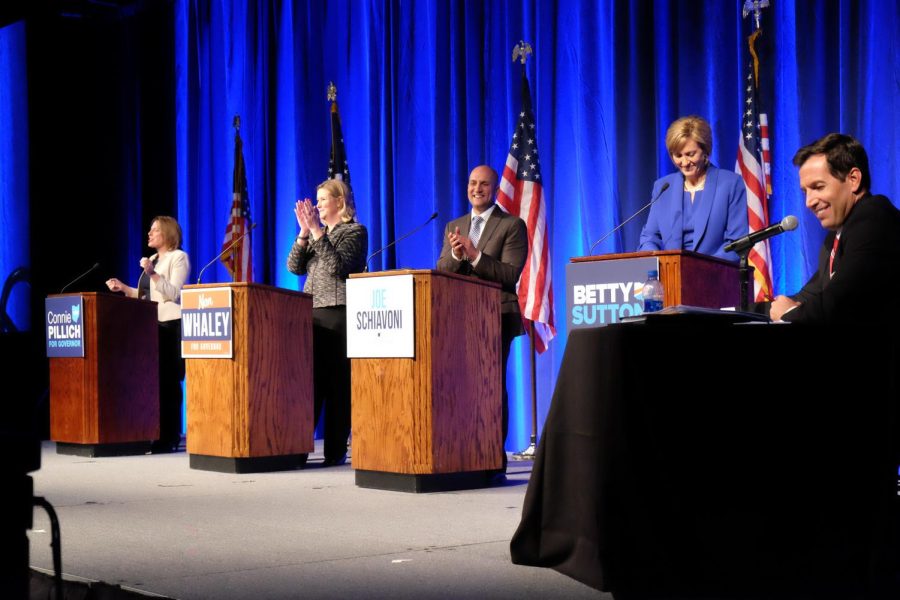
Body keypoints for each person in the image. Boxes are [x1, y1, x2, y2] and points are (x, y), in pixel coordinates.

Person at [437, 165, 528, 475]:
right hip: (457, 318)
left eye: (484, 184)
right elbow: (442, 271)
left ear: (494, 189)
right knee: (459, 386)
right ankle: (464, 450)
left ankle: (492, 456)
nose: (477, 189)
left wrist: (475, 255)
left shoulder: (512, 225)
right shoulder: (455, 224)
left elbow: (510, 274)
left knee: (490, 385)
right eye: (473, 183)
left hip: (495, 316)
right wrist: (458, 257)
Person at [770, 133, 900, 323]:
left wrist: (788, 314)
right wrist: (738, 311)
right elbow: (807, 296)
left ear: (853, 179)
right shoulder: (835, 237)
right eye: (806, 191)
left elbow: (838, 304)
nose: (809, 202)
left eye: (818, 187)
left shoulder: (875, 218)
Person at [287, 179, 367, 467]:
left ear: (339, 202)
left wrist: (317, 232)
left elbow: (337, 267)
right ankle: (297, 447)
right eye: (317, 201)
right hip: (310, 314)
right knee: (310, 385)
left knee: (337, 386)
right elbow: (293, 267)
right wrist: (303, 233)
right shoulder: (315, 234)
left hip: (339, 314)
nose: (317, 205)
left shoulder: (354, 232)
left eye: (322, 200)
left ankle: (334, 451)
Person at [106, 216, 190, 453]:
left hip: (171, 325)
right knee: (155, 383)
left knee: (169, 382)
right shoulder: (152, 260)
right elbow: (146, 297)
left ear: (167, 234)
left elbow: (172, 293)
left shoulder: (178, 258)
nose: (149, 234)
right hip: (150, 326)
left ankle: (170, 436)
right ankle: (155, 432)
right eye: (150, 230)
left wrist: (152, 273)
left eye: (155, 230)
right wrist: (124, 288)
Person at [638, 115, 749, 261]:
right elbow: (649, 237)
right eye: (678, 155)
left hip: (715, 275)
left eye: (690, 154)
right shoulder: (663, 187)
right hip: (670, 275)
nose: (684, 162)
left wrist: (701, 269)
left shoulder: (730, 184)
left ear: (705, 151)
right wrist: (656, 262)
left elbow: (737, 243)